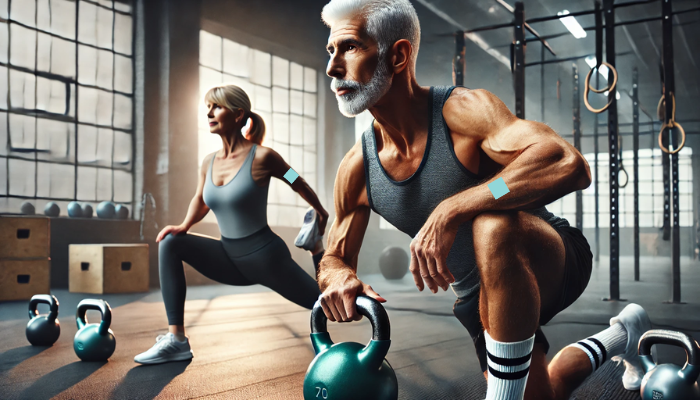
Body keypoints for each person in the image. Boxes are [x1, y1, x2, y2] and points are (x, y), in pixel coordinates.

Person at [315, 1, 651, 399]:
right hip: (477, 298)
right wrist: (337, 277)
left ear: (398, 54)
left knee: (491, 225)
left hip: (547, 257)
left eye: (350, 48)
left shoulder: (461, 112)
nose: (333, 67)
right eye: (331, 51)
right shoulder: (358, 166)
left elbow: (565, 161)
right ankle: (622, 334)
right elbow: (334, 255)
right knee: (541, 393)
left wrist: (456, 207)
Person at [134, 84, 329, 365]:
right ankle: (176, 340)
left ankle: (315, 248)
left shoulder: (264, 157)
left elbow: (295, 179)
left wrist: (319, 211)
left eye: (217, 107)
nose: (209, 113)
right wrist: (184, 226)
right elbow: (200, 199)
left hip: (266, 258)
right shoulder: (208, 162)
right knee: (170, 242)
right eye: (208, 108)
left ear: (238, 115)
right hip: (230, 258)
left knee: (329, 307)